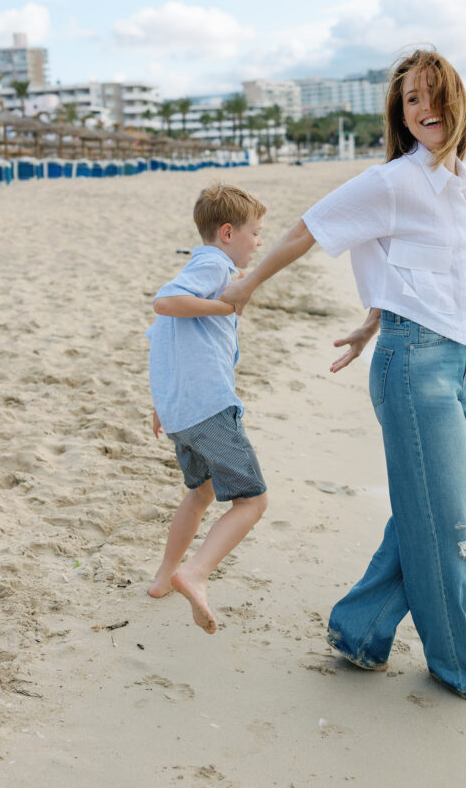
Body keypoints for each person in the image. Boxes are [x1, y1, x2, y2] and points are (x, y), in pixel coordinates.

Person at [220, 48, 466, 700]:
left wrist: (372, 316)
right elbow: (306, 229)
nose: (424, 108)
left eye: (433, 94)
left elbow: (421, 271)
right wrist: (247, 284)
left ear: (455, 100)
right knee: (448, 526)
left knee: (435, 512)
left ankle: (359, 629)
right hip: (413, 369)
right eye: (410, 100)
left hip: (454, 364)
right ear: (399, 115)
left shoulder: (457, 180)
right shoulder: (393, 180)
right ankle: (459, 668)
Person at [145, 183, 267, 635]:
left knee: (201, 494)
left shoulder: (210, 266)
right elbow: (164, 302)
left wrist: (161, 403)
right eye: (256, 233)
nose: (259, 242)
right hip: (209, 408)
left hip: (181, 414)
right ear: (228, 232)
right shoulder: (213, 263)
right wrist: (222, 306)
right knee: (253, 501)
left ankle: (162, 579)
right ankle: (194, 573)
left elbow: (161, 338)